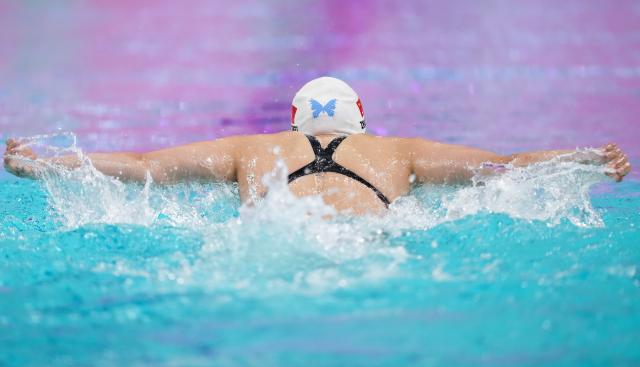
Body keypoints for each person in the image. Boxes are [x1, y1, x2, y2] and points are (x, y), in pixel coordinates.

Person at [3, 77, 632, 215]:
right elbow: (509, 166)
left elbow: (141, 168)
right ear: (361, 118)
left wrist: (41, 164)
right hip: (366, 247)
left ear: (293, 121)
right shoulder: (399, 151)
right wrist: (588, 158)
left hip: (274, 239)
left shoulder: (251, 148)